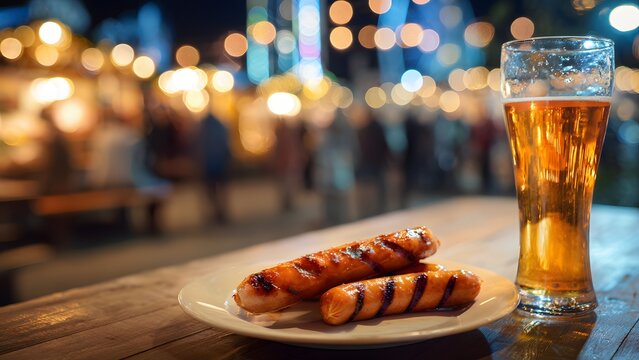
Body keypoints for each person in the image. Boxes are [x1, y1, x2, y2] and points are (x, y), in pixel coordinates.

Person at [197, 112, 231, 224]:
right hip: (219, 164)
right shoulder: (220, 127)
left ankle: (216, 212)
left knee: (211, 191)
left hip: (209, 165)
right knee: (220, 191)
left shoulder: (204, 128)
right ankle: (221, 212)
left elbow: (198, 146)